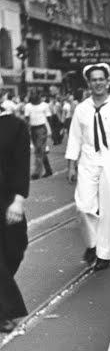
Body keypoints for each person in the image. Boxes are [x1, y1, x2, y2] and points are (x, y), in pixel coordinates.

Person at [65, 63, 110, 271]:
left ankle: (104, 253)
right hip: (87, 160)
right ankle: (92, 244)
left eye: (101, 79)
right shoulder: (82, 109)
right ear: (89, 83)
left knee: (107, 209)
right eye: (94, 80)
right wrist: (71, 165)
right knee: (83, 206)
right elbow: (75, 138)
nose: (98, 83)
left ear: (107, 81)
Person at [0, 100, 30, 333]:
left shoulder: (15, 126)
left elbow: (21, 164)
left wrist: (18, 200)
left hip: (7, 199)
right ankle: (5, 311)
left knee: (14, 249)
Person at [24, 92, 53, 180]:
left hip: (41, 129)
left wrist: (49, 130)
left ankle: (36, 173)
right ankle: (48, 170)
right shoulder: (28, 106)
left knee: (38, 150)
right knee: (40, 151)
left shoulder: (44, 105)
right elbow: (27, 119)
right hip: (33, 129)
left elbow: (49, 118)